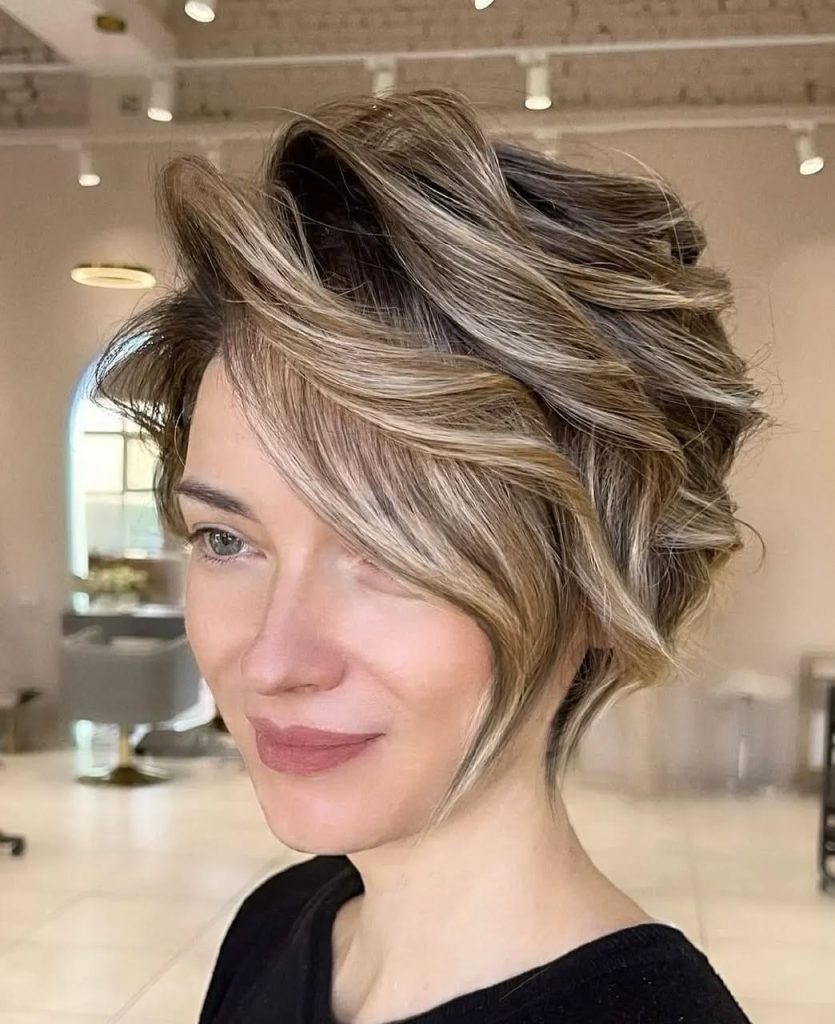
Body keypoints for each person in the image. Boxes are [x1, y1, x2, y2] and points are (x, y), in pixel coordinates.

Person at [95, 88, 769, 1023]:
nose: (274, 660)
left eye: (394, 551)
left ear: (597, 585)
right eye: (227, 539)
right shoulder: (277, 922)